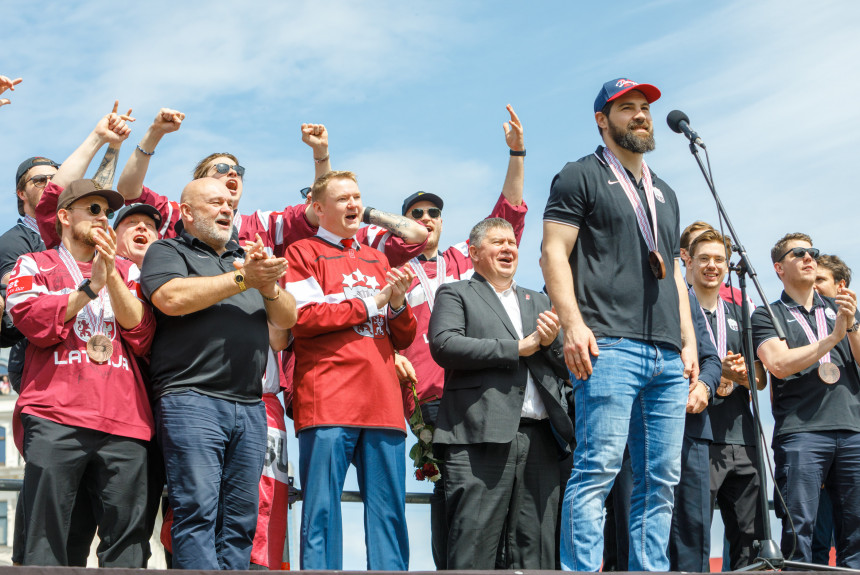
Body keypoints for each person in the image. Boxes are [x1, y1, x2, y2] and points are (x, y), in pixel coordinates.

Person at [541, 77, 698, 571]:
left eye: (644, 107)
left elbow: (675, 273)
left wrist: (689, 341)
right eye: (627, 107)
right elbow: (553, 252)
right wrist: (572, 325)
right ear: (601, 120)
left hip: (667, 354)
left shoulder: (666, 191)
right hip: (608, 344)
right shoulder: (579, 175)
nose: (641, 115)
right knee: (597, 470)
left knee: (661, 479)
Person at [393, 105, 527, 567]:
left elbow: (506, 216)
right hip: (426, 394)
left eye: (434, 212)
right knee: (449, 490)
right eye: (416, 213)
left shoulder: (465, 259)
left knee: (487, 491)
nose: (426, 217)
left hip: (476, 390)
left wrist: (516, 154)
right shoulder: (390, 267)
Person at [140, 177, 297, 570]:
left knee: (241, 522)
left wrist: (268, 284)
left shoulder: (246, 258)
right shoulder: (167, 250)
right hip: (191, 398)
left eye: (230, 203)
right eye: (215, 202)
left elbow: (286, 321)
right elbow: (171, 298)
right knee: (197, 511)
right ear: (188, 212)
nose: (227, 208)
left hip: (249, 405)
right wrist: (244, 279)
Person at [6, 179, 156, 566]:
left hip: (124, 420)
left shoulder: (129, 270)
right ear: (64, 216)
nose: (103, 218)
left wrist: (111, 277)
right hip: (55, 415)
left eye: (107, 212)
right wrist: (90, 288)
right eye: (93, 210)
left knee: (127, 544)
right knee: (45, 539)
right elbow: (31, 319)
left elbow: (142, 332)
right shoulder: (34, 263)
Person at [284, 170, 416, 571]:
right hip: (329, 399)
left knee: (390, 512)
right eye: (342, 199)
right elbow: (304, 318)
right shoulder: (301, 252)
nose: (354, 204)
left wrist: (397, 303)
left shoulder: (378, 258)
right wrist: (374, 302)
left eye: (357, 197)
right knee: (321, 509)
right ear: (318, 208)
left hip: (383, 402)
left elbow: (403, 335)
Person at [427, 218, 573, 569]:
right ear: (474, 252)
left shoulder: (539, 300)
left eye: (512, 243)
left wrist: (551, 344)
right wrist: (516, 348)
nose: (508, 248)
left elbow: (566, 364)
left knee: (536, 550)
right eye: (498, 242)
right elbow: (445, 344)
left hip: (541, 440)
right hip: (479, 436)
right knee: (473, 546)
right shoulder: (456, 293)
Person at [116, 110, 427, 259]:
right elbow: (128, 191)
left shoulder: (264, 225)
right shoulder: (181, 215)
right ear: (198, 184)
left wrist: (321, 155)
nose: (232, 173)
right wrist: (155, 133)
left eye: (238, 170)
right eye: (221, 169)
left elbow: (321, 209)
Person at [752, 233, 860, 567]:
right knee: (800, 532)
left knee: (856, 533)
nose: (808, 257)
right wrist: (833, 338)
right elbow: (779, 364)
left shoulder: (841, 309)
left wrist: (852, 326)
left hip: (853, 428)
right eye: (798, 253)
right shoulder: (766, 314)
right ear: (779, 268)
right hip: (802, 431)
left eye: (812, 252)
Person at [687, 229, 765, 569]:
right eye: (704, 258)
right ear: (689, 262)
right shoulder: (677, 311)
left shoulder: (740, 314)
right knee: (694, 536)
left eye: (719, 259)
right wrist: (719, 370)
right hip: (696, 436)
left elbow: (761, 379)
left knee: (750, 539)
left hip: (742, 438)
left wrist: (741, 374)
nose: (712, 266)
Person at [810, 253, 852, 564]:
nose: (813, 286)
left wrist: (851, 324)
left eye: (820, 280)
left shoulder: (855, 325)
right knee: (814, 544)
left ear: (841, 286)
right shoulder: (799, 320)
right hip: (812, 443)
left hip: (851, 442)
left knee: (852, 539)